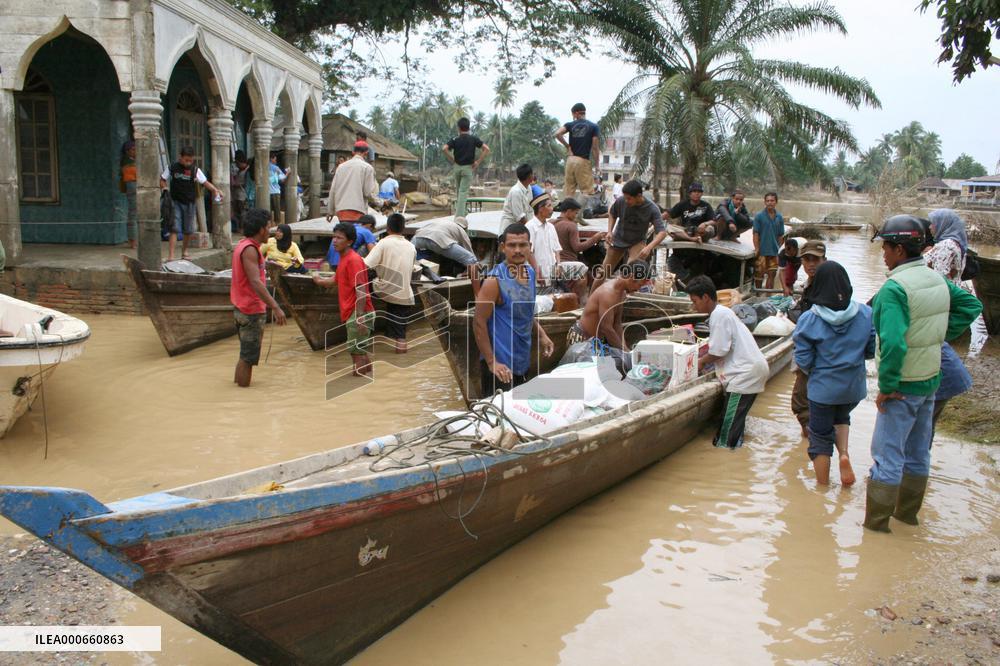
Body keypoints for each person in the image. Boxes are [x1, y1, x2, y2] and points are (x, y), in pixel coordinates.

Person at [864, 215, 982, 532]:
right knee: (917, 453)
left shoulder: (894, 289)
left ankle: (876, 527)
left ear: (900, 250)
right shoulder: (935, 280)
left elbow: (892, 345)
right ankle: (907, 517)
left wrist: (886, 386)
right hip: (930, 381)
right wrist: (936, 334)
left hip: (902, 386)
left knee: (887, 457)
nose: (883, 254)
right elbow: (971, 307)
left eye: (886, 248)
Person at [793, 261, 875, 485]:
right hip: (853, 388)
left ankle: (822, 488)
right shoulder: (866, 314)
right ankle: (845, 454)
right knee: (841, 417)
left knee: (819, 436)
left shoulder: (810, 319)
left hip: (823, 388)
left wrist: (819, 371)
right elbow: (870, 350)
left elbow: (803, 359)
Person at [688, 275, 769, 449]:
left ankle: (726, 463)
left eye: (695, 301)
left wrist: (701, 362)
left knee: (725, 438)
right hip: (751, 371)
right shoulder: (723, 313)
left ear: (706, 297)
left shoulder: (719, 315)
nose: (693, 306)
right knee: (735, 426)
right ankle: (737, 459)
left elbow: (718, 351)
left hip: (744, 376)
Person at [473, 224, 555, 394]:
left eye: (523, 245)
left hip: (522, 359)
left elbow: (524, 311)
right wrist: (491, 362)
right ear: (503, 247)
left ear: (530, 247)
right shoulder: (494, 281)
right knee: (497, 416)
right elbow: (478, 321)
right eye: (512, 245)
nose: (518, 250)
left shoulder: (530, 272)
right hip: (500, 365)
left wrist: (541, 334)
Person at [923, 209, 974, 442]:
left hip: (936, 304)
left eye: (933, 224)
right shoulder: (958, 245)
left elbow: (936, 278)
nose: (931, 228)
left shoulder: (946, 246)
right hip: (947, 303)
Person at [230, 208, 287, 387]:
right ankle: (243, 395)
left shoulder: (243, 245)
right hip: (250, 310)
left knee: (244, 355)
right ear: (261, 229)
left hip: (240, 307)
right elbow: (255, 282)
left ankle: (237, 388)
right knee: (248, 358)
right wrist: (276, 307)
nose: (270, 230)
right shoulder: (250, 250)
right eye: (269, 226)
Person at [313, 223, 376, 376]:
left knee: (356, 352)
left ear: (349, 241)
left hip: (359, 312)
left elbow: (360, 289)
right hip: (356, 312)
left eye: (339, 238)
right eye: (333, 237)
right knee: (359, 351)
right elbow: (335, 280)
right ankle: (368, 383)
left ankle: (358, 390)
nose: (334, 240)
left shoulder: (353, 260)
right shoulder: (344, 259)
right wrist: (318, 279)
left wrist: (360, 317)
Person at [593, 179, 666, 290]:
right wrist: (609, 231)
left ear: (639, 196)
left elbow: (662, 232)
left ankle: (622, 299)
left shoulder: (652, 208)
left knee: (629, 273)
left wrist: (649, 247)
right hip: (619, 238)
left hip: (637, 241)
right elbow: (612, 213)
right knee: (603, 272)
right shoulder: (621, 201)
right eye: (625, 198)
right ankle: (591, 298)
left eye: (629, 199)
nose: (626, 201)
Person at [789, 239, 827, 436]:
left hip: (816, 352)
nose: (811, 264)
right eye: (807, 260)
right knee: (804, 401)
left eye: (815, 260)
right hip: (807, 350)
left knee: (801, 400)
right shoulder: (809, 285)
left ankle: (812, 439)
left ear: (824, 260)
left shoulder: (825, 288)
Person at [568, 260, 650, 351]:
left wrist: (625, 348)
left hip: (596, 341)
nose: (638, 289)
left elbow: (617, 324)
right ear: (631, 277)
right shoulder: (608, 293)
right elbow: (606, 328)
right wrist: (625, 351)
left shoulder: (621, 293)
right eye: (639, 285)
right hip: (581, 339)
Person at [160, 146, 224, 261]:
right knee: (174, 228)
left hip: (190, 202)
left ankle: (184, 252)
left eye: (190, 160)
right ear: (180, 157)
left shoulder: (195, 170)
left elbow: (205, 182)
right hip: (175, 202)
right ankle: (171, 255)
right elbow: (162, 179)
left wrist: (215, 190)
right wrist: (165, 188)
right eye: (186, 160)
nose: (188, 162)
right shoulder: (172, 168)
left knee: (188, 229)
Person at [365, 213, 417, 354]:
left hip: (384, 290)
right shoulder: (411, 246)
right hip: (405, 295)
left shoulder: (383, 243)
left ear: (387, 228)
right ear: (403, 229)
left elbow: (365, 265)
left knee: (367, 277)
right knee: (400, 333)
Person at [411, 215, 481, 294]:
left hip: (418, 238)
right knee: (472, 261)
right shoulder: (461, 231)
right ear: (465, 228)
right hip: (439, 240)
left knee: (410, 258)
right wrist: (474, 267)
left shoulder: (444, 222)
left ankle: (419, 274)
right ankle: (477, 294)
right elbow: (471, 257)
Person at [554, 198, 606, 303]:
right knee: (588, 275)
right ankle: (581, 303)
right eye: (575, 213)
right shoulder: (571, 225)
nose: (576, 216)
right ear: (568, 211)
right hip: (569, 263)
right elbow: (577, 247)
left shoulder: (552, 223)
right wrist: (595, 238)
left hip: (555, 263)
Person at [444, 117, 490, 218]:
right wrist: (478, 162)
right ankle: (459, 216)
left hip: (457, 168)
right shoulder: (473, 139)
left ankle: (463, 211)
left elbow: (445, 148)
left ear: (459, 128)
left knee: (458, 191)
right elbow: (486, 149)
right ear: (468, 128)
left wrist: (452, 159)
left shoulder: (455, 139)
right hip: (468, 168)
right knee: (463, 192)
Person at [555, 103, 600, 201]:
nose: (573, 117)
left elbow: (558, 133)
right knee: (586, 191)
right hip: (582, 161)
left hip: (570, 160)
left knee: (569, 191)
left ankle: (566, 215)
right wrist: (597, 165)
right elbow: (595, 148)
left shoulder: (570, 125)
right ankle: (577, 215)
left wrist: (568, 146)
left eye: (573, 115)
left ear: (576, 113)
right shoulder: (593, 126)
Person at [326, 141, 378, 224]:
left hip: (341, 211)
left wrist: (330, 211)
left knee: (345, 235)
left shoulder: (341, 167)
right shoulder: (367, 168)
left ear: (353, 152)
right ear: (366, 153)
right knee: (354, 236)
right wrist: (381, 203)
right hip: (357, 211)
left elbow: (333, 190)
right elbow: (368, 193)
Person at [752, 192, 785, 289]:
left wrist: (780, 250)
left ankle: (768, 297)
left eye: (772, 201)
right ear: (764, 202)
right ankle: (757, 295)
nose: (770, 203)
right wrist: (757, 248)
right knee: (759, 276)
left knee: (772, 275)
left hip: (774, 252)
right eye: (767, 201)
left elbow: (780, 235)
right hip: (762, 251)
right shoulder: (759, 216)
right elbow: (755, 233)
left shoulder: (779, 217)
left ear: (776, 202)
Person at [119, 140, 137, 249]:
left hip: (135, 187)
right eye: (133, 149)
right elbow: (132, 176)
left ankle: (135, 239)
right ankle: (132, 241)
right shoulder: (126, 162)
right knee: (133, 214)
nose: (136, 152)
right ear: (128, 151)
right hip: (132, 187)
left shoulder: (134, 161)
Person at [230, 150, 250, 232]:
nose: (237, 165)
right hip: (237, 195)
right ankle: (239, 228)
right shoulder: (239, 171)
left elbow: (246, 184)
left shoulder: (247, 171)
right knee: (238, 213)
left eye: (238, 163)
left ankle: (243, 228)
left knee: (243, 213)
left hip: (243, 196)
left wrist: (236, 184)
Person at [267, 153, 288, 222]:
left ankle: (269, 224)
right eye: (275, 159)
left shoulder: (264, 167)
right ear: (271, 159)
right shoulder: (276, 168)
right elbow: (282, 179)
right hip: (275, 191)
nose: (276, 161)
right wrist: (288, 173)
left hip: (267, 192)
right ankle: (277, 224)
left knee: (268, 210)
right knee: (277, 211)